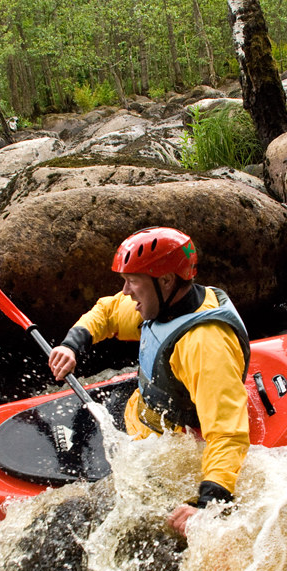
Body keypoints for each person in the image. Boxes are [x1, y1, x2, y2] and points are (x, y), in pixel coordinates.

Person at [48, 227, 251, 537]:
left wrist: (209, 503)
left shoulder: (204, 344)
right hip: (143, 416)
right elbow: (110, 311)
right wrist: (72, 343)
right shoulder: (164, 302)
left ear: (167, 280)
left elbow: (226, 432)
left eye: (132, 282)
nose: (126, 291)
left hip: (166, 447)